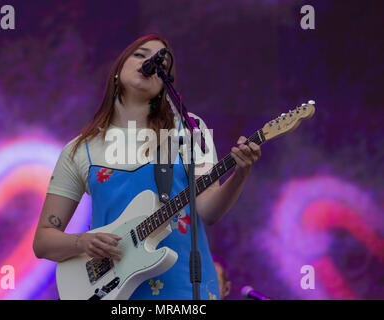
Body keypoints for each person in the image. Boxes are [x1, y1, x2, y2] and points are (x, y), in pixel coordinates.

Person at [33, 34, 261, 300]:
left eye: (161, 63)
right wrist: (81, 242)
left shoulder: (190, 129)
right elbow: (44, 241)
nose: (150, 61)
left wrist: (240, 173)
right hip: (113, 292)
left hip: (186, 290)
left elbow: (208, 211)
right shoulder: (80, 150)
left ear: (164, 85)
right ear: (117, 71)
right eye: (140, 55)